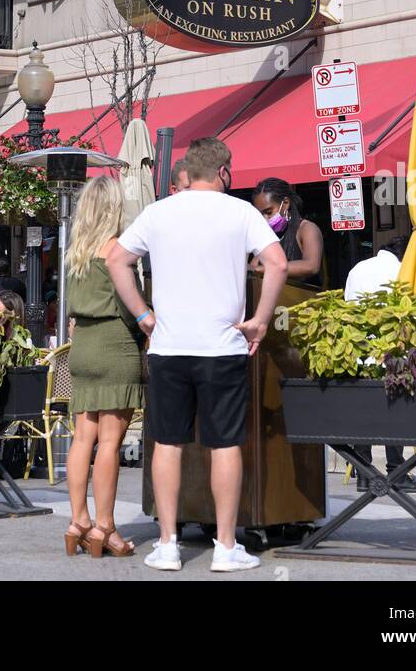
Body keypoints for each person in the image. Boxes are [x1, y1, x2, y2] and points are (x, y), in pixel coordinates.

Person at [107, 137, 287, 574]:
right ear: (224, 171)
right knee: (225, 444)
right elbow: (278, 263)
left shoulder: (159, 211)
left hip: (169, 346)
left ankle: (168, 545)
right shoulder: (241, 212)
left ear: (188, 171)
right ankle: (225, 547)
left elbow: (117, 259)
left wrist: (144, 314)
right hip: (222, 347)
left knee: (167, 443)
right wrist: (260, 321)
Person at [65, 176, 144, 560]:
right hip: (114, 345)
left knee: (83, 438)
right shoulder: (118, 251)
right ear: (114, 209)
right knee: (110, 442)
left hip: (82, 348)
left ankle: (77, 521)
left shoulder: (76, 252)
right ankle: (105, 526)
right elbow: (131, 307)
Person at [343, 236, 416, 492]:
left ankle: (364, 471)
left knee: (363, 413)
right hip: (391, 352)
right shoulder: (401, 271)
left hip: (358, 351)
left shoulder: (357, 268)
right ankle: (396, 470)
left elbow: (347, 307)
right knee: (395, 409)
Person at [252, 178, 323, 284]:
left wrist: (266, 269)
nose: (265, 219)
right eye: (260, 214)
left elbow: (311, 266)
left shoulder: (307, 229)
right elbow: (254, 266)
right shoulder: (267, 236)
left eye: (269, 212)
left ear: (285, 203)